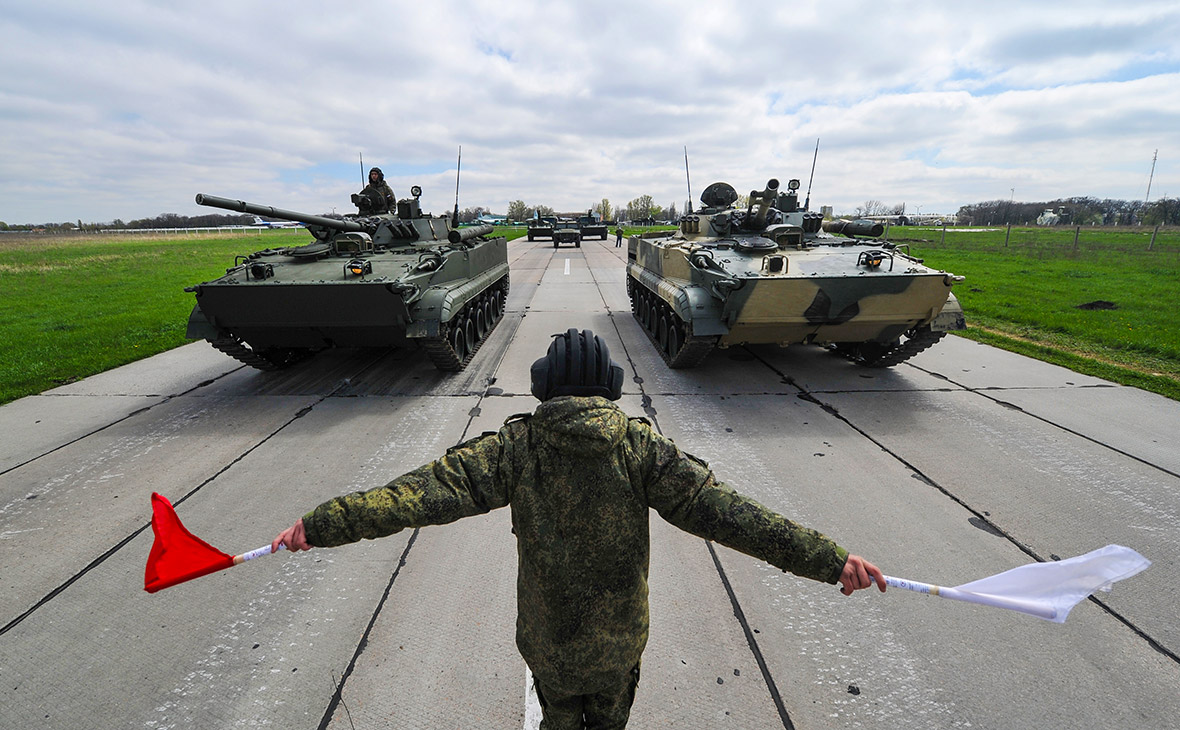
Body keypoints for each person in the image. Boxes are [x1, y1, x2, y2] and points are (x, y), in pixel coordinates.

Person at [273, 329, 884, 729]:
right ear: (611, 390)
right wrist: (830, 560)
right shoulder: (642, 449)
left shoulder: (516, 448)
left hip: (547, 641)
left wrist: (321, 525)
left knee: (557, 714)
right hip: (619, 644)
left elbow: (415, 495)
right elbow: (732, 515)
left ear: (543, 387)